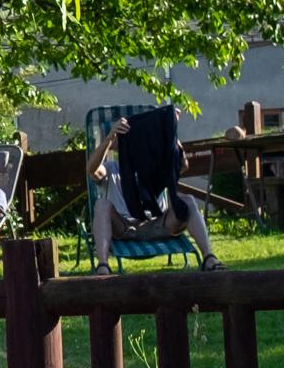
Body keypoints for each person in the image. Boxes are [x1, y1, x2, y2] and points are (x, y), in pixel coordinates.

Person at [87, 114, 219, 274]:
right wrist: (109, 138)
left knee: (188, 201)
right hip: (123, 227)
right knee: (102, 205)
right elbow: (91, 170)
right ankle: (103, 266)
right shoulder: (111, 168)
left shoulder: (154, 167)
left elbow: (182, 165)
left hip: (157, 224)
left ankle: (209, 258)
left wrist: (170, 130)